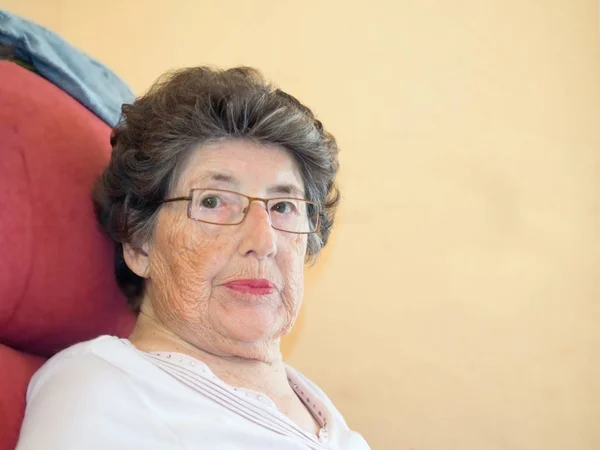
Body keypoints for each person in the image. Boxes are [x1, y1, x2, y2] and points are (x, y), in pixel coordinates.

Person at [16, 66, 371, 449]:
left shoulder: (320, 410)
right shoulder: (104, 386)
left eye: (283, 206)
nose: (262, 239)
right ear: (138, 244)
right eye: (213, 201)